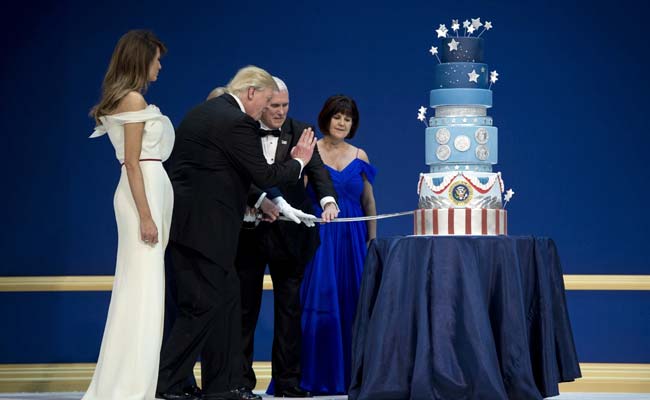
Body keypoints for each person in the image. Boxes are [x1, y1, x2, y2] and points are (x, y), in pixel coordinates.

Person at [156, 66, 316, 400]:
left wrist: (264, 202)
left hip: (195, 230)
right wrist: (299, 161)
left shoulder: (203, 113)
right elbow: (266, 172)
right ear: (251, 92)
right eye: (266, 102)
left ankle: (224, 385)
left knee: (227, 302)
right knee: (202, 307)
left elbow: (223, 172)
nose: (264, 111)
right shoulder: (235, 121)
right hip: (206, 232)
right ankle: (168, 381)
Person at [234, 77, 338, 398]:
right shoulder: (243, 130)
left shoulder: (301, 130)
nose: (280, 112)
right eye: (274, 106)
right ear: (261, 103)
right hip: (250, 231)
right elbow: (242, 176)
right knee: (245, 309)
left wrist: (328, 201)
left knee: (289, 309)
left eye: (285, 106)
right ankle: (240, 382)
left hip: (290, 234)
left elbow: (318, 171)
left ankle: (288, 382)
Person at [84, 30, 173, 400]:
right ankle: (131, 388)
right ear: (141, 60)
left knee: (141, 291)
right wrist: (147, 216)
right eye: (156, 59)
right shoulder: (132, 98)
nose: (159, 65)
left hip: (145, 195)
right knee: (144, 294)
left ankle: (130, 384)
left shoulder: (126, 99)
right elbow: (133, 164)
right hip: (142, 197)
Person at [299, 95, 377, 395]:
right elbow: (299, 193)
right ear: (326, 118)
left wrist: (372, 240)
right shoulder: (311, 151)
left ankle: (353, 377)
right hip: (319, 238)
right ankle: (314, 377)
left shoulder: (360, 156)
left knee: (353, 302)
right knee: (318, 301)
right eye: (338, 116)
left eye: (348, 118)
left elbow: (368, 201)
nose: (343, 122)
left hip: (354, 239)